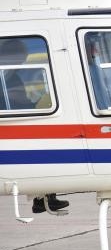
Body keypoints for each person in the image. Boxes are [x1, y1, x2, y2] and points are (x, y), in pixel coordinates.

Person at [0, 39, 69, 214]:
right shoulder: (6, 74)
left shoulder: (11, 75)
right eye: (20, 57)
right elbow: (12, 100)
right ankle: (43, 199)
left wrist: (34, 104)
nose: (22, 61)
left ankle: (43, 198)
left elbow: (18, 99)